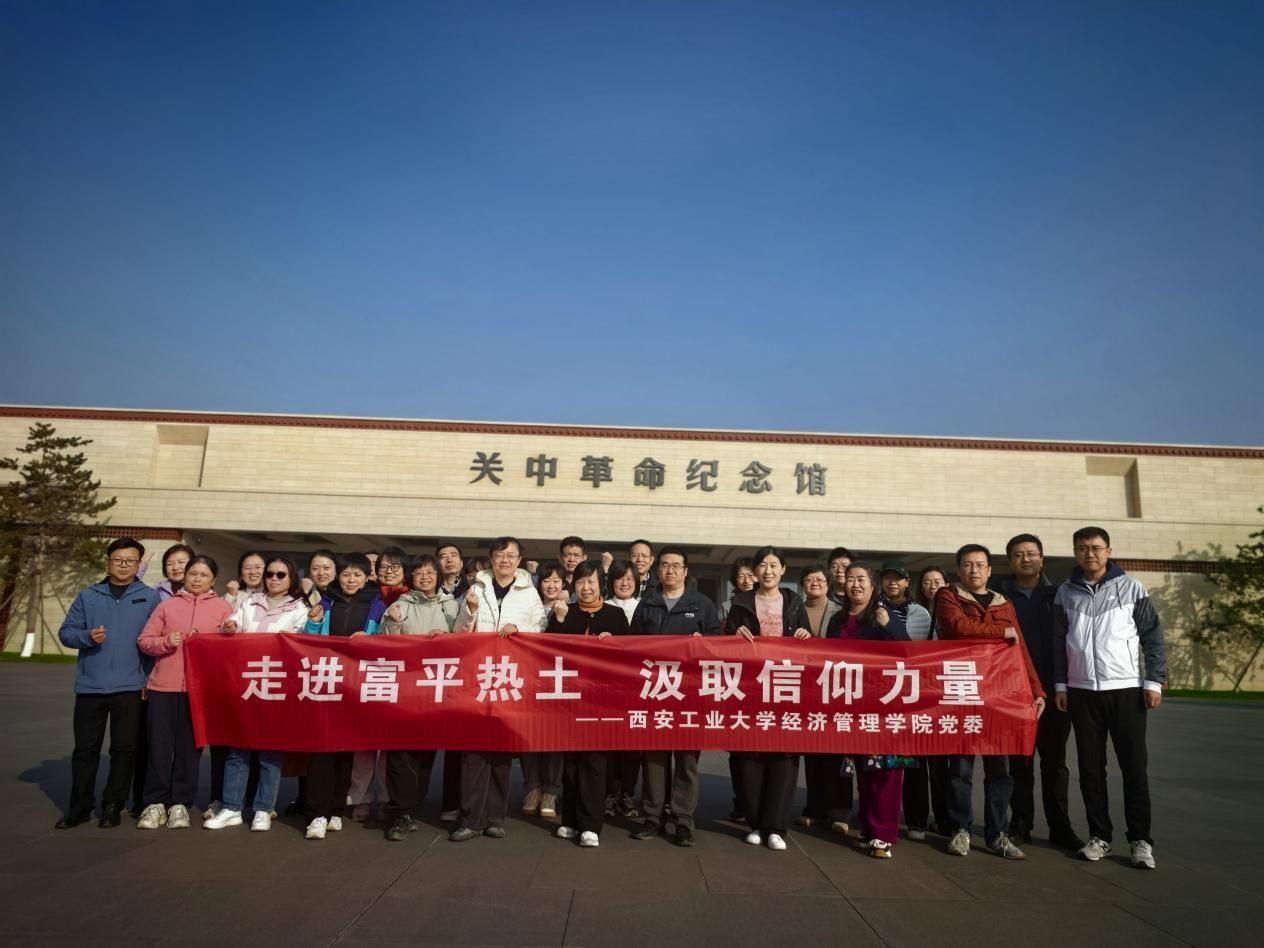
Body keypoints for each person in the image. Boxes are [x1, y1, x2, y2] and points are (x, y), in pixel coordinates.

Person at [1054, 526, 1165, 870]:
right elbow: (1059, 643)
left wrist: (1154, 681)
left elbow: (1152, 637)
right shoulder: (1065, 592)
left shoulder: (1131, 587)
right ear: (1075, 552)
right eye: (1083, 548)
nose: (1090, 554)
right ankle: (1099, 835)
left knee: (1134, 767)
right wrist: (1061, 686)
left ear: (1108, 551)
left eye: (1096, 548)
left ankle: (1140, 840)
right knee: (1091, 769)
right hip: (1082, 691)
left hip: (1126, 690)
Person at [934, 544, 1046, 860]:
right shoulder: (948, 596)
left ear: (989, 570)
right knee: (961, 768)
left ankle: (998, 833)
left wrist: (1036, 690)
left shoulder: (1003, 602)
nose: (974, 570)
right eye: (968, 564)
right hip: (963, 692)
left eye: (980, 565)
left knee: (1001, 770)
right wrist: (1001, 631)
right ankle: (960, 829)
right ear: (959, 569)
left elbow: (1019, 648)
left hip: (1000, 695)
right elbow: (958, 628)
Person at [54, 538, 161, 829]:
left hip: (131, 686)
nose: (123, 565)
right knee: (85, 750)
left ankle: (113, 805)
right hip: (91, 686)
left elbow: (154, 641)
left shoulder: (150, 597)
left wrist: (148, 680)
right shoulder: (88, 596)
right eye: (118, 560)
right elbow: (66, 632)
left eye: (130, 561)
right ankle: (79, 807)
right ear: (108, 562)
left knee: (124, 750)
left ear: (138, 565)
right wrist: (86, 637)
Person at [448, 536, 548, 842]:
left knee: (501, 753)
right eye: (500, 555)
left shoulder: (529, 592)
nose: (505, 560)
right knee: (473, 752)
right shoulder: (476, 588)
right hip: (477, 677)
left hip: (510, 678)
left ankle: (494, 817)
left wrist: (520, 630)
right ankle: (470, 818)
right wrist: (470, 610)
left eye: (511, 555)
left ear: (519, 561)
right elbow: (459, 632)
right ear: (491, 559)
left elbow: (541, 628)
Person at [207, 556, 313, 832]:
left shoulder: (300, 607)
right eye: (270, 574)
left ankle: (263, 809)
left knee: (270, 753)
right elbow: (233, 623)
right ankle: (232, 807)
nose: (274, 579)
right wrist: (230, 627)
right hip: (247, 683)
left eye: (281, 574)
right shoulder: (250, 602)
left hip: (277, 686)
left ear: (291, 578)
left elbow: (300, 642)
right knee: (237, 749)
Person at [629, 546, 721, 846]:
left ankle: (683, 819)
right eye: (665, 565)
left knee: (686, 760)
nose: (670, 570)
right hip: (654, 691)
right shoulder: (648, 603)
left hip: (690, 694)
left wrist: (704, 642)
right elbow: (630, 645)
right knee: (654, 758)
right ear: (658, 570)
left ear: (685, 571)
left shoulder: (702, 604)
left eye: (676, 565)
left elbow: (719, 642)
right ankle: (653, 816)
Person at [999, 534, 1085, 851]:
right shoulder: (1000, 598)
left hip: (1054, 690)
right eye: (1018, 555)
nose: (1026, 559)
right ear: (1010, 561)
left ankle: (1060, 826)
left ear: (1042, 559)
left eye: (1031, 554)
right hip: (1014, 690)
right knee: (1019, 762)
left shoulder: (1059, 594)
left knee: (1055, 761)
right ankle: (1020, 823)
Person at [136, 555, 232, 830]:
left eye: (204, 575)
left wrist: (226, 634)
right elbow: (145, 641)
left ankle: (180, 803)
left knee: (190, 749)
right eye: (193, 573)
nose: (197, 579)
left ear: (213, 580)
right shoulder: (167, 606)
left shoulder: (223, 609)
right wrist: (167, 641)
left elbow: (231, 649)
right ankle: (154, 803)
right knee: (159, 747)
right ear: (185, 576)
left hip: (199, 691)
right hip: (162, 687)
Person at [725, 546, 811, 851]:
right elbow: (725, 643)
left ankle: (775, 826)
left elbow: (808, 646)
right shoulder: (741, 602)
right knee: (749, 756)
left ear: (783, 570)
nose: (768, 571)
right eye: (763, 565)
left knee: (783, 757)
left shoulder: (794, 602)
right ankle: (755, 823)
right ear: (755, 571)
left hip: (785, 689)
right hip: (750, 689)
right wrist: (734, 634)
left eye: (774, 565)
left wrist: (805, 636)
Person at [829, 564, 917, 858]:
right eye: (850, 579)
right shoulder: (838, 619)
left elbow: (907, 651)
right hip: (850, 705)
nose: (855, 585)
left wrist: (889, 625)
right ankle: (869, 829)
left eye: (861, 579)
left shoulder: (883, 614)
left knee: (887, 772)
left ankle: (884, 836)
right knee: (863, 772)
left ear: (872, 584)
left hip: (885, 707)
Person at [375, 554, 459, 842]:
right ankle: (400, 811)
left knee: (425, 753)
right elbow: (386, 646)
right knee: (400, 751)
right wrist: (394, 624)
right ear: (411, 577)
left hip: (437, 688)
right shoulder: (400, 605)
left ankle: (412, 806)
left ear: (438, 576)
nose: (425, 576)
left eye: (430, 572)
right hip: (405, 689)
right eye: (419, 572)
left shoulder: (451, 605)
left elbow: (464, 639)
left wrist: (447, 638)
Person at [548, 560, 630, 848]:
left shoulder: (615, 615)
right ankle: (570, 820)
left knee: (595, 762)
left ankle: (591, 825)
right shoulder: (565, 611)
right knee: (571, 762)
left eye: (591, 582)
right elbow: (548, 652)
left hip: (601, 701)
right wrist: (558, 621)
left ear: (601, 585)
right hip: (570, 698)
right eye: (581, 582)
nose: (585, 587)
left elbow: (629, 655)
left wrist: (614, 642)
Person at [302, 553, 384, 840]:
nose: (351, 579)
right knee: (321, 749)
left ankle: (336, 809)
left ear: (366, 577)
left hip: (357, 685)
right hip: (327, 682)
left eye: (357, 574)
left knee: (347, 750)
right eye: (347, 574)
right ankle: (316, 814)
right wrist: (314, 623)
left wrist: (369, 640)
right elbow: (309, 641)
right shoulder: (326, 602)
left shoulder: (377, 605)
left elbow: (385, 641)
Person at [878, 562, 934, 841]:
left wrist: (889, 624)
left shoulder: (919, 612)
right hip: (878, 693)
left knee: (912, 760)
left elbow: (915, 653)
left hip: (909, 695)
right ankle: (880, 815)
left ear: (907, 582)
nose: (892, 583)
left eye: (898, 579)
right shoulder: (873, 608)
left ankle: (916, 819)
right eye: (888, 578)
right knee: (880, 760)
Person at [209, 550, 267, 817]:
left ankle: (254, 801)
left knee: (258, 745)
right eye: (247, 567)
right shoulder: (233, 597)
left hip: (263, 677)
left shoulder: (275, 599)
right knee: (227, 743)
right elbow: (219, 627)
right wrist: (231, 598)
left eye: (259, 567)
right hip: (233, 678)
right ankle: (219, 799)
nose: (253, 572)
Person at [798, 564, 845, 832]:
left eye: (819, 579)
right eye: (809, 579)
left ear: (828, 584)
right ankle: (815, 809)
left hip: (836, 689)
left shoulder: (840, 611)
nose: (814, 583)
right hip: (806, 690)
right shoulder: (794, 610)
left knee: (838, 752)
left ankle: (839, 813)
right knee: (813, 753)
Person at [520, 560, 568, 819]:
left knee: (555, 738)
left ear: (564, 584)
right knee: (529, 736)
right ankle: (532, 788)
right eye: (546, 580)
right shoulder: (527, 606)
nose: (551, 585)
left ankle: (551, 791)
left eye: (556, 581)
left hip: (559, 682)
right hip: (529, 679)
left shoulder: (571, 608)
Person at [603, 559, 642, 818]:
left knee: (632, 744)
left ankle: (627, 793)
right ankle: (609, 792)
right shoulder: (604, 607)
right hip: (608, 687)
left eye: (629, 578)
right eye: (619, 578)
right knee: (609, 742)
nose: (624, 583)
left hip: (637, 685)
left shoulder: (645, 608)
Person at [915, 564, 952, 833]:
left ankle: (944, 817)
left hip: (945, 692)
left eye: (937, 581)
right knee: (917, 762)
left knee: (941, 764)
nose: (932, 586)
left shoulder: (953, 611)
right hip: (918, 692)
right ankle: (917, 817)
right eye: (927, 582)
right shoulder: (915, 612)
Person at [717, 557, 756, 626]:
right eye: (741, 576)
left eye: (751, 575)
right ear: (735, 580)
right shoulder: (727, 606)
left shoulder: (769, 602)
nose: (746, 580)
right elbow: (721, 630)